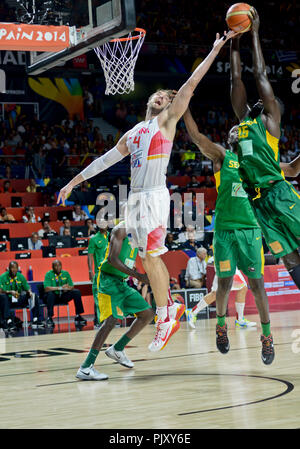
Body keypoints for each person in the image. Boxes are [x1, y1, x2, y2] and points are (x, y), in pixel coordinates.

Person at [58, 30, 237, 352]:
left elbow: (191, 85)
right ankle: (168, 308)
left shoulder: (166, 122)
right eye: (158, 95)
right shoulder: (133, 132)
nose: (162, 97)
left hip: (154, 194)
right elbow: (104, 159)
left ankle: (166, 313)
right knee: (144, 257)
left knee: (151, 255)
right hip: (135, 198)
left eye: (167, 97)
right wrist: (73, 181)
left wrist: (215, 48)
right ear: (147, 100)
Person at [229, 8, 300, 360]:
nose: (260, 98)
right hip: (259, 206)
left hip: (280, 195)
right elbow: (237, 81)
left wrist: (254, 32)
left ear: (275, 109)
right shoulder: (242, 122)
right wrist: (232, 43)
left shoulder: (269, 123)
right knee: (291, 265)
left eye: (268, 98)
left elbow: (258, 74)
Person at [76, 221, 155, 380]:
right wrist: (139, 276)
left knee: (147, 314)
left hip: (122, 282)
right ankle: (85, 367)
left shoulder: (140, 233)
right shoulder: (121, 230)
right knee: (111, 320)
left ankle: (117, 349)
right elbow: (112, 259)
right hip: (107, 280)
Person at [187, 268, 257, 329]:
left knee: (242, 288)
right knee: (216, 293)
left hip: (230, 263)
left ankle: (240, 319)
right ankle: (193, 312)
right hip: (224, 262)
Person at [0, 261, 44, 330]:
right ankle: (9, 321)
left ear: (18, 269)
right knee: (3, 297)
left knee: (34, 295)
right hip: (8, 300)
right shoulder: (3, 277)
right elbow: (0, 290)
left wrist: (29, 292)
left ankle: (36, 319)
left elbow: (27, 288)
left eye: (15, 268)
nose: (14, 269)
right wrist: (10, 292)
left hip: (18, 298)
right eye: (12, 268)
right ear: (9, 268)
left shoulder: (20, 276)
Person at [43, 260, 87, 328]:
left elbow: (72, 286)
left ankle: (78, 315)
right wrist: (59, 288)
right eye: (56, 266)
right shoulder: (48, 274)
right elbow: (46, 288)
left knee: (76, 292)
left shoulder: (65, 273)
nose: (58, 267)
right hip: (53, 297)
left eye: (59, 265)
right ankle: (49, 317)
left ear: (61, 266)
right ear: (52, 267)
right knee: (50, 294)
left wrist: (67, 288)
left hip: (63, 295)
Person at [87, 223, 109, 328]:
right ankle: (99, 320)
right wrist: (90, 271)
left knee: (111, 295)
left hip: (112, 271)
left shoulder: (112, 236)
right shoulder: (94, 239)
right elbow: (90, 256)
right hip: (100, 272)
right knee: (98, 296)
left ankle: (112, 319)